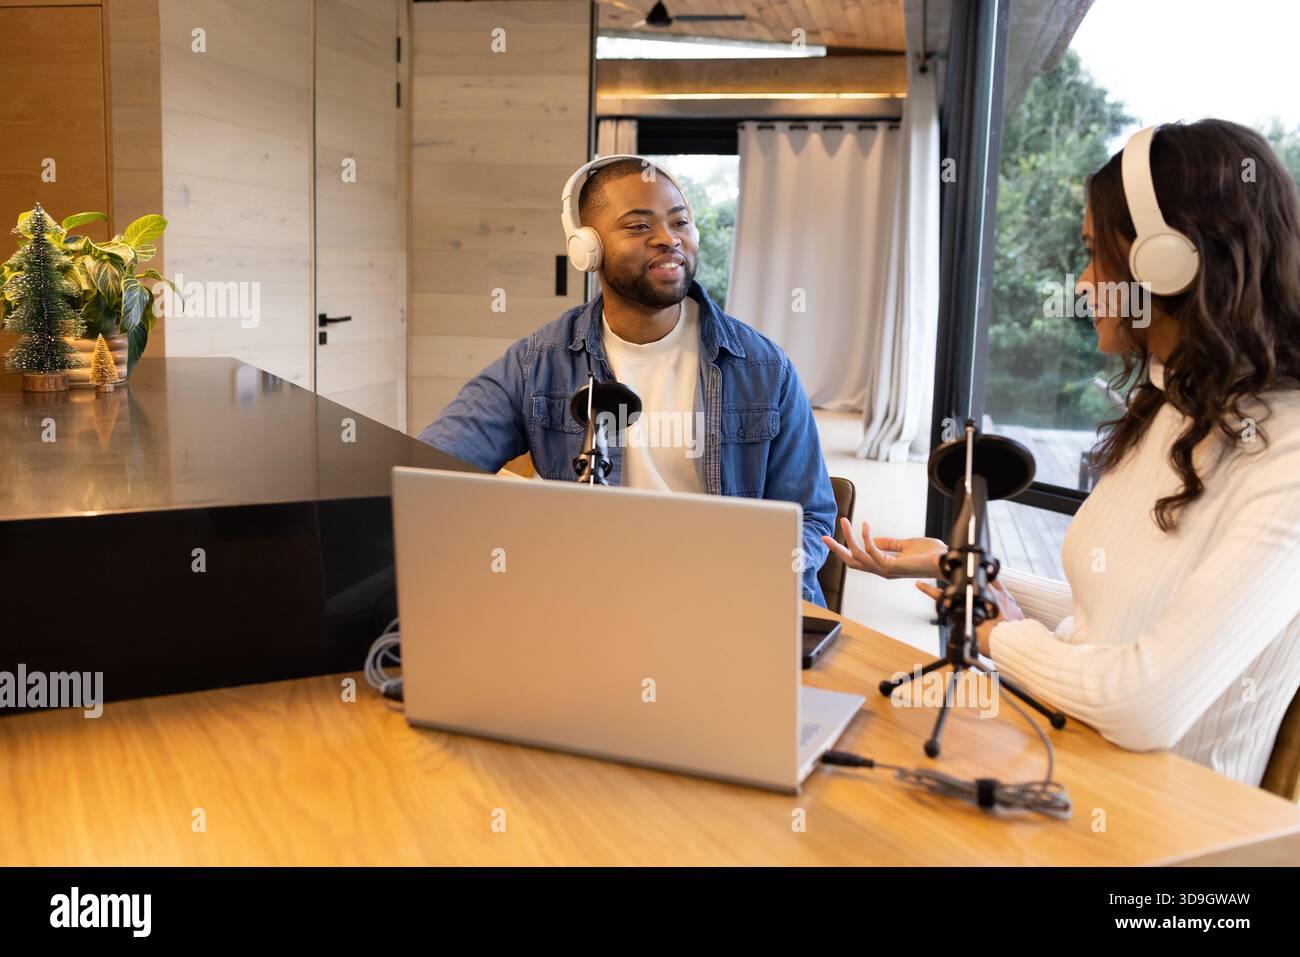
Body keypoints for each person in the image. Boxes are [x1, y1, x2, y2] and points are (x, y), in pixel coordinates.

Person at [827, 119, 1300, 786]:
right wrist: (963, 569)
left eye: (1093, 253)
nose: (1082, 283)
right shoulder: (1172, 406)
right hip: (1074, 764)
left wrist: (996, 633)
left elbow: (1143, 702)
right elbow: (1106, 618)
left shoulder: (1286, 456)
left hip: (1172, 829)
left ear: (1165, 263)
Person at [418, 155, 837, 604]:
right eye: (639, 226)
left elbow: (810, 519)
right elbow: (430, 475)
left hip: (728, 601)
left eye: (679, 222)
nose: (667, 239)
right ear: (587, 248)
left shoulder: (764, 367)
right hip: (596, 601)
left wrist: (739, 582)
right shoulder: (537, 363)